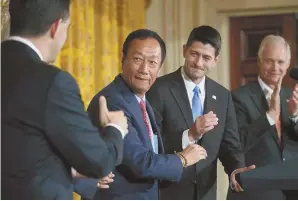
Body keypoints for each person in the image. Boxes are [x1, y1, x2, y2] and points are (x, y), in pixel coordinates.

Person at [1, 0, 128, 199]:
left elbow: (20, 147)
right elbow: (99, 162)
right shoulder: (52, 81)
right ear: (55, 27)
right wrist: (116, 128)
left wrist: (65, 168)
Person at [86, 29, 208, 200]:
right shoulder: (111, 101)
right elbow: (139, 162)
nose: (144, 69)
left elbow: (154, 150)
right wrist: (183, 159)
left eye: (152, 63)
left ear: (159, 69)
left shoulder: (141, 100)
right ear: (123, 60)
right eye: (137, 59)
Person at [146, 25, 250, 200]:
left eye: (206, 57)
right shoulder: (158, 89)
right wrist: (190, 135)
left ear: (215, 60)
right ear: (184, 50)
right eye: (194, 54)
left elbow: (230, 146)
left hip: (206, 194)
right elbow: (151, 144)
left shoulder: (223, 96)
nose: (198, 62)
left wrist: (237, 170)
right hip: (167, 193)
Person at [230, 35, 298, 199]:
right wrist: (270, 116)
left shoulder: (293, 96)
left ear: (288, 64)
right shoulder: (238, 97)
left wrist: (295, 116)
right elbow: (237, 143)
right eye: (269, 61)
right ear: (259, 61)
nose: (275, 67)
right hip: (257, 191)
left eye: (281, 62)